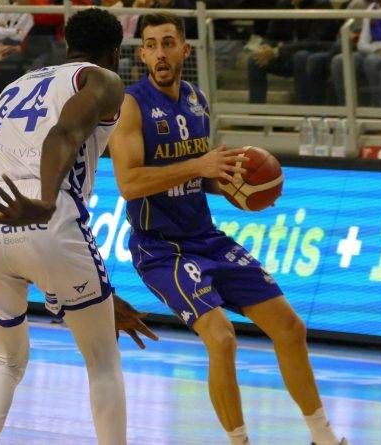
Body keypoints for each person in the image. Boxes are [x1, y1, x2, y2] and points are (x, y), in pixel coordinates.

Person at [108, 12, 348, 445]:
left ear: (185, 49)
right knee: (221, 337)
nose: (160, 53)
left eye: (167, 43)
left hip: (206, 237)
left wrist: (235, 187)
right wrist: (200, 164)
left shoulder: (197, 99)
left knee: (291, 328)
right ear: (142, 53)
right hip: (161, 248)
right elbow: (130, 183)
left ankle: (324, 437)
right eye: (151, 45)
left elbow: (197, 177)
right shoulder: (130, 104)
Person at [0, 9, 156, 445]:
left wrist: (100, 298)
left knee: (5, 360)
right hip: (42, 212)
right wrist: (45, 203)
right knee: (102, 361)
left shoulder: (16, 85)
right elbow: (64, 133)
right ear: (114, 52)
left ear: (67, 44)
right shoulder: (102, 79)